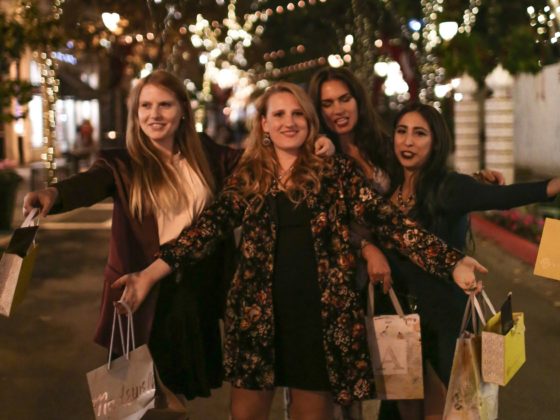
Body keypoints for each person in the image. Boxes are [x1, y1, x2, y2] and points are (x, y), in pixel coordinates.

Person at [111, 82, 487, 420]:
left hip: (318, 324)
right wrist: (147, 275)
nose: (288, 122)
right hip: (257, 323)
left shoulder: (335, 174)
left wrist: (452, 262)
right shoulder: (250, 177)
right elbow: (205, 231)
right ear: (264, 124)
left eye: (297, 114)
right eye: (279, 114)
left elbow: (390, 222)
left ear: (309, 122)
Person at [23, 70, 243, 400]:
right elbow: (87, 184)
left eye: (164, 105)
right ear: (136, 112)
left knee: (177, 400)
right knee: (133, 403)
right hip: (137, 294)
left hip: (192, 294)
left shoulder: (209, 155)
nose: (154, 114)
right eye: (145, 106)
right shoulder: (122, 163)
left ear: (183, 108)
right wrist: (54, 195)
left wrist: (317, 143)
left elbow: (259, 164)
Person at [380, 103, 560, 419]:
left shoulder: (448, 187)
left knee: (458, 409)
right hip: (396, 318)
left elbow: (503, 198)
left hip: (446, 321)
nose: (408, 142)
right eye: (402, 131)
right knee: (401, 410)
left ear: (436, 143)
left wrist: (551, 187)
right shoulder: (386, 189)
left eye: (419, 134)